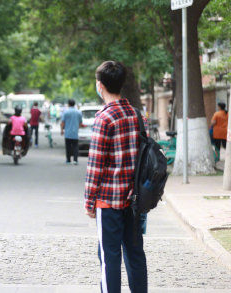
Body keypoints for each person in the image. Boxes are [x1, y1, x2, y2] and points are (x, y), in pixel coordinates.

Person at [84, 61, 147, 293]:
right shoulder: (137, 115)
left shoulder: (104, 118)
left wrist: (89, 201)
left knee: (109, 257)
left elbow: (95, 165)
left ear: (100, 86)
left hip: (108, 201)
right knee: (135, 253)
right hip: (135, 200)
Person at [60, 99, 82, 165]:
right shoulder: (78, 112)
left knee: (68, 147)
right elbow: (80, 123)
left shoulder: (66, 112)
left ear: (68, 104)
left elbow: (62, 122)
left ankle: (68, 160)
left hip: (67, 133)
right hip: (75, 133)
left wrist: (61, 130)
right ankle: (75, 160)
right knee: (75, 147)